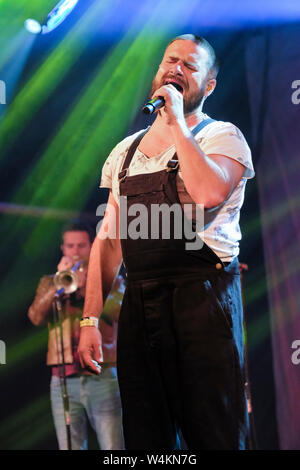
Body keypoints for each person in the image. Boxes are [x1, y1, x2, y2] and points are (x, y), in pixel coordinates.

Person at [78, 34, 255, 450]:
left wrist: (177, 123)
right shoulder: (124, 151)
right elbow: (108, 241)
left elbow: (208, 194)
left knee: (215, 434)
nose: (176, 68)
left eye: (190, 65)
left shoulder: (222, 137)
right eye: (170, 60)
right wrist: (89, 320)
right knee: (147, 438)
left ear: (209, 85)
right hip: (141, 309)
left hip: (204, 302)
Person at [28, 221, 124, 450]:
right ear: (63, 249)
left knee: (113, 447)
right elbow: (35, 316)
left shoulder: (113, 280)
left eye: (81, 245)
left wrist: (86, 287)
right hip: (62, 379)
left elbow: (118, 312)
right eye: (70, 246)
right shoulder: (50, 282)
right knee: (69, 446)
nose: (75, 251)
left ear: (92, 246)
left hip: (103, 375)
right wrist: (58, 286)